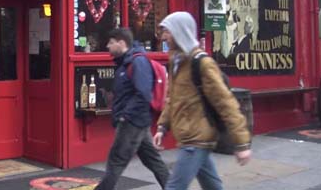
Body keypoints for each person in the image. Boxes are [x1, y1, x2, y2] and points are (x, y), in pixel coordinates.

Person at [154, 12, 252, 190]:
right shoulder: (177, 61)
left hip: (195, 139)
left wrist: (241, 143)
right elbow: (173, 98)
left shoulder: (202, 63)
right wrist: (162, 126)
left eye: (167, 31)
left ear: (179, 32)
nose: (164, 37)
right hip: (193, 137)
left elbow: (226, 102)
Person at [94, 28, 170, 190]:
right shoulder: (126, 63)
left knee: (116, 162)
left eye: (111, 42)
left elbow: (143, 94)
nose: (107, 46)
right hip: (138, 122)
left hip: (132, 123)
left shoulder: (137, 62)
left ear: (121, 43)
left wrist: (125, 117)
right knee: (153, 161)